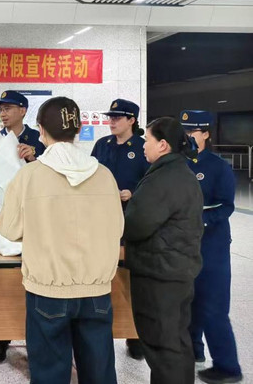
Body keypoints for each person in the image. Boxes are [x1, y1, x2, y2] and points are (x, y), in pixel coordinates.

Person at [0, 96, 123, 384]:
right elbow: (117, 228)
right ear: (78, 129)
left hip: (47, 290)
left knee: (49, 373)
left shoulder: (30, 175)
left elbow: (9, 229)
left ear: (41, 130)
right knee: (100, 372)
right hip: (96, 291)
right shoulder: (104, 175)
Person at [124, 117, 203, 384]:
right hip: (177, 271)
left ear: (163, 145)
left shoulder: (163, 178)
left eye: (147, 140)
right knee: (175, 344)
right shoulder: (180, 172)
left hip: (159, 275)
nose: (143, 145)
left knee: (163, 347)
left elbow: (136, 225)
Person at [0, 90, 46, 362]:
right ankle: (2, 335)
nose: (3, 113)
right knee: (5, 277)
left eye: (8, 108)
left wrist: (34, 158)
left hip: (33, 216)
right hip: (3, 214)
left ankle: (35, 336)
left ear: (23, 110)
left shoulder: (38, 140)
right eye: (0, 109)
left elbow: (49, 178)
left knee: (32, 278)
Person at [180, 110, 242, 384]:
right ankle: (194, 351)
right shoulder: (177, 163)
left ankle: (228, 367)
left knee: (213, 306)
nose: (187, 136)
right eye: (184, 131)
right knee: (188, 301)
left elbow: (227, 205)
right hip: (182, 244)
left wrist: (200, 220)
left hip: (211, 245)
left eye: (193, 131)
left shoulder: (218, 166)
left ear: (206, 133)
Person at [91, 98, 149, 360]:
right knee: (102, 275)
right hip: (100, 221)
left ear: (132, 120)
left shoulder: (143, 147)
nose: (111, 122)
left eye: (117, 117)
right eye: (110, 117)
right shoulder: (102, 145)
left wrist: (132, 193)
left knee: (129, 278)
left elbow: (152, 184)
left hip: (130, 222)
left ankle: (134, 336)